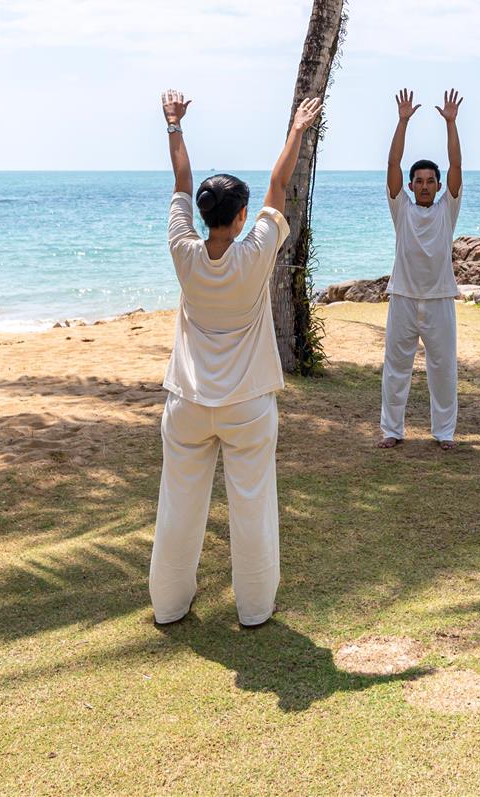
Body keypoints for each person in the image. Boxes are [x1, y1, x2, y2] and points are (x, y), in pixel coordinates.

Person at [150, 90, 322, 628]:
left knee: (178, 508)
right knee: (252, 507)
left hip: (187, 403)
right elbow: (279, 185)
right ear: (242, 215)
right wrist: (297, 130)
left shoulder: (183, 250)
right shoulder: (255, 253)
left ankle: (168, 606)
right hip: (247, 404)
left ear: (203, 215)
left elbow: (182, 180)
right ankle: (254, 609)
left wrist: (174, 125)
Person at [378, 88, 465, 450]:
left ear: (439, 186)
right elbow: (392, 165)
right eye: (419, 181)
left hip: (440, 299)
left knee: (442, 369)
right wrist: (402, 121)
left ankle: (444, 433)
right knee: (396, 368)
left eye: (431, 181)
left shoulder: (447, 209)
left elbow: (456, 167)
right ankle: (392, 430)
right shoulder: (402, 209)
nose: (425, 186)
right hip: (403, 297)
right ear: (411, 186)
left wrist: (451, 124)